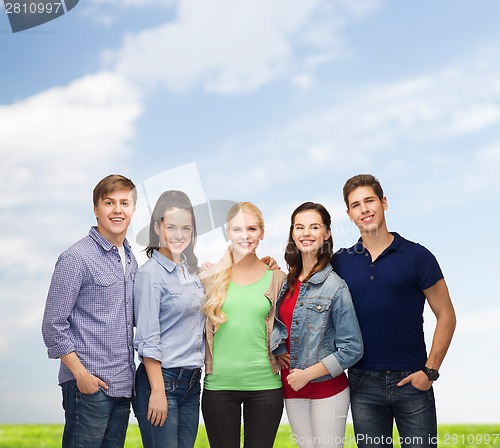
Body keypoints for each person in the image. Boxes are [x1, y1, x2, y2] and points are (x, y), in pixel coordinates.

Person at [332, 174, 457, 448]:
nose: (364, 209)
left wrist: (430, 371)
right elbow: (304, 277)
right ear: (349, 214)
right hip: (362, 383)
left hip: (413, 380)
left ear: (384, 203)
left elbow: (446, 315)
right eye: (356, 205)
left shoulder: (418, 257)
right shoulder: (340, 261)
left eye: (369, 200)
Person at [41, 174, 138, 448]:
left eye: (124, 203)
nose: (117, 210)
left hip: (122, 387)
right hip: (88, 387)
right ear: (96, 209)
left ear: (132, 210)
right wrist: (81, 376)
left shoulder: (130, 260)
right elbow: (52, 325)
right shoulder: (76, 258)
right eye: (109, 203)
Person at [272, 202, 364, 448]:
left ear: (327, 233)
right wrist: (279, 350)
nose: (306, 233)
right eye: (299, 227)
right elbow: (279, 324)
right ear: (292, 233)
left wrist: (307, 375)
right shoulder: (286, 281)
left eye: (314, 227)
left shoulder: (335, 286)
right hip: (292, 389)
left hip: (327, 391)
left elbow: (352, 348)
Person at [201, 202, 285, 448]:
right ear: (228, 232)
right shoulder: (210, 278)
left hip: (265, 387)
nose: (245, 236)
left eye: (252, 228)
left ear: (262, 232)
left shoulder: (278, 278)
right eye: (237, 229)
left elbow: (289, 322)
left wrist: (285, 352)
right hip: (219, 387)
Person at [132, 190, 205, 448]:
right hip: (162, 382)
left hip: (192, 383)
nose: (179, 235)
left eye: (186, 228)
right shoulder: (150, 274)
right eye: (171, 227)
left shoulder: (190, 271)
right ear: (156, 227)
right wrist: (158, 391)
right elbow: (147, 338)